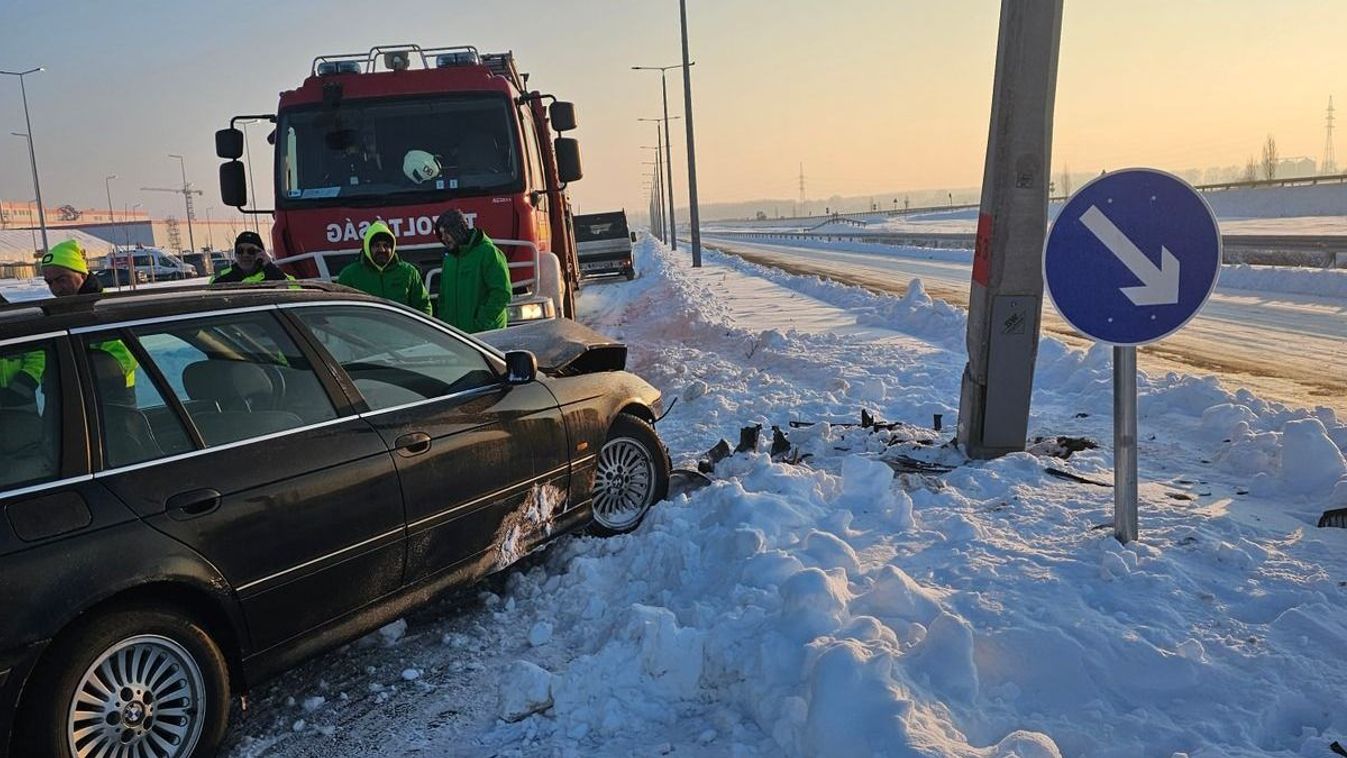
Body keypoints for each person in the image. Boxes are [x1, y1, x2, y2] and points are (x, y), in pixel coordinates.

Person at [29, 241, 137, 403]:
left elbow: (125, 356)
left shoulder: (104, 309)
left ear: (82, 275)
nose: (56, 288)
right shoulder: (60, 310)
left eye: (62, 279)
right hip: (69, 396)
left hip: (112, 398)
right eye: (50, 282)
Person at [434, 209, 511, 332]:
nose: (443, 238)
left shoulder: (488, 253)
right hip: (458, 337)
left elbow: (501, 293)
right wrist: (445, 322)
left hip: (486, 336)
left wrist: (482, 322)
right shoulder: (449, 260)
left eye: (446, 233)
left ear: (458, 230)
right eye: (441, 234)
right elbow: (443, 297)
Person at [334, 221, 432, 315]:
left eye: (386, 245)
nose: (382, 250)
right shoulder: (349, 275)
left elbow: (423, 306)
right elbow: (340, 310)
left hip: (400, 330)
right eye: (377, 246)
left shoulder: (409, 273)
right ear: (367, 247)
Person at [211, 231, 292, 283]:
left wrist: (269, 267)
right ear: (235, 254)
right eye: (240, 251)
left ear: (262, 254)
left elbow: (294, 294)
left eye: (251, 251)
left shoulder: (276, 275)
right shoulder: (221, 278)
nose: (245, 255)